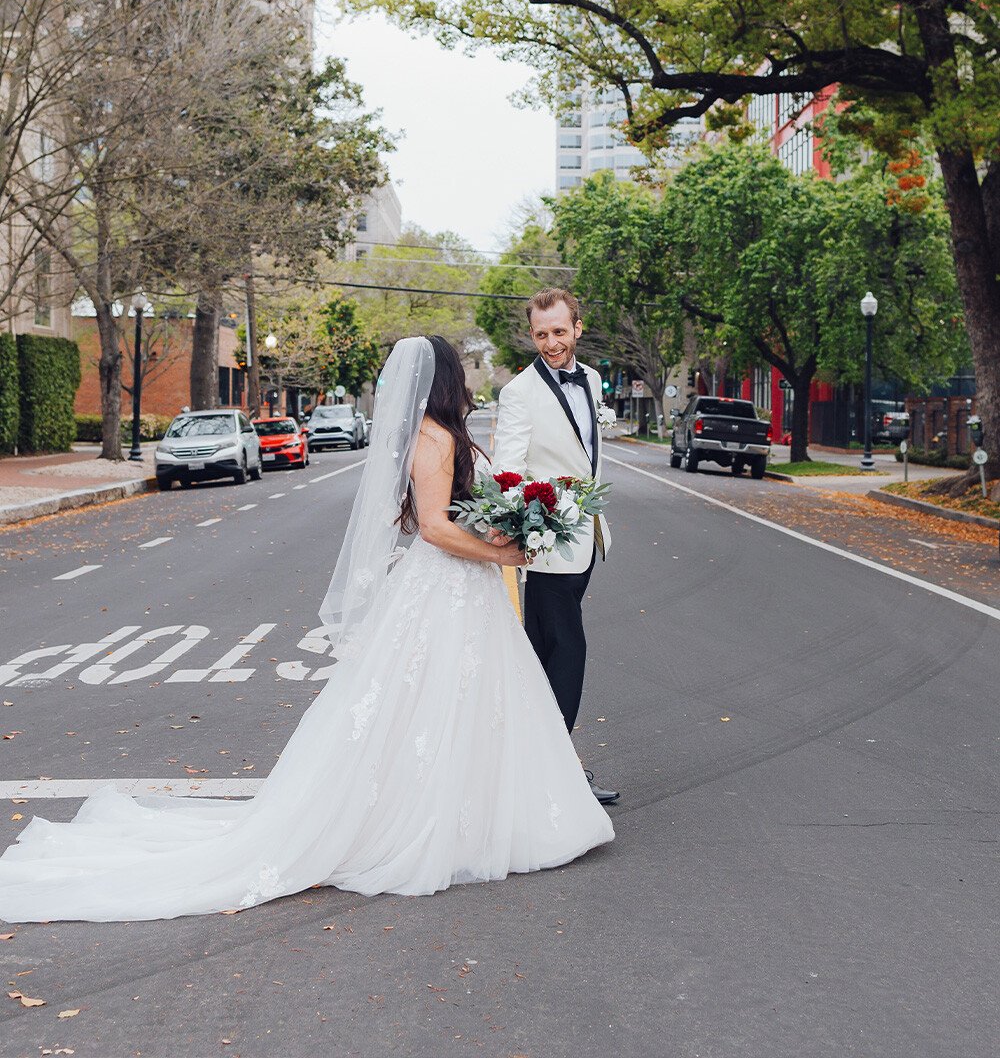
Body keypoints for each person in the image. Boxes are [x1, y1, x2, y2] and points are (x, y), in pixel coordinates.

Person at [0, 336, 613, 923]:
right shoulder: (433, 438)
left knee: (457, 703)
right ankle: (423, 820)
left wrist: (497, 531)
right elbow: (432, 526)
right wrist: (498, 553)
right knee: (428, 703)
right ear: (448, 382)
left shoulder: (430, 434)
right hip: (445, 584)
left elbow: (447, 516)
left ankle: (470, 812)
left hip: (454, 587)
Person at [492, 289, 619, 805]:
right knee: (565, 650)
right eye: (541, 334)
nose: (551, 342)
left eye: (559, 332)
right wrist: (523, 523)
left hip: (587, 535)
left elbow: (586, 455)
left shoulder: (590, 379)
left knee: (549, 655)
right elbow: (508, 469)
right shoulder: (519, 393)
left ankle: (543, 762)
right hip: (547, 543)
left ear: (577, 329)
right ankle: (558, 770)